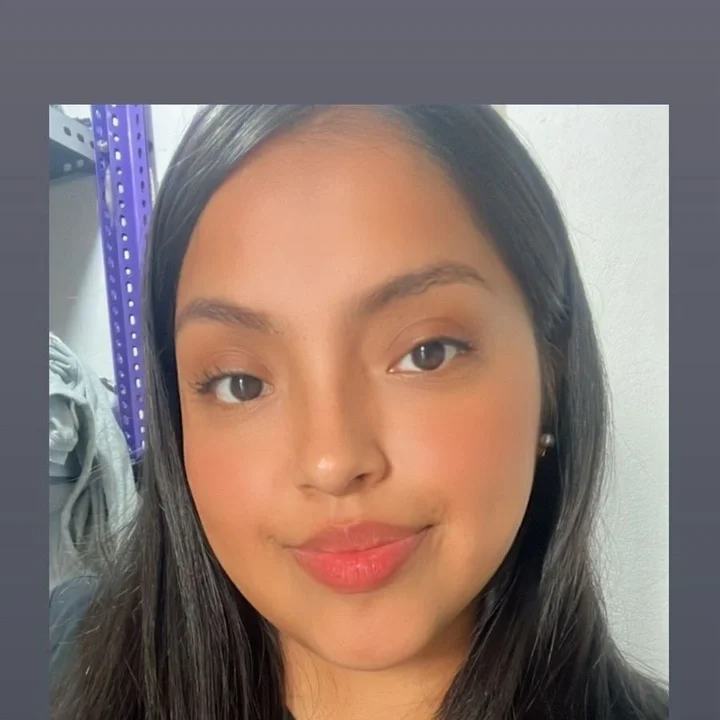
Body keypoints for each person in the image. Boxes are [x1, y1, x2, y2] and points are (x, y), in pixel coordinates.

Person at [51, 105, 669, 720]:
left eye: (426, 354)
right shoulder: (60, 662)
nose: (332, 461)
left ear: (551, 372)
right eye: (241, 383)